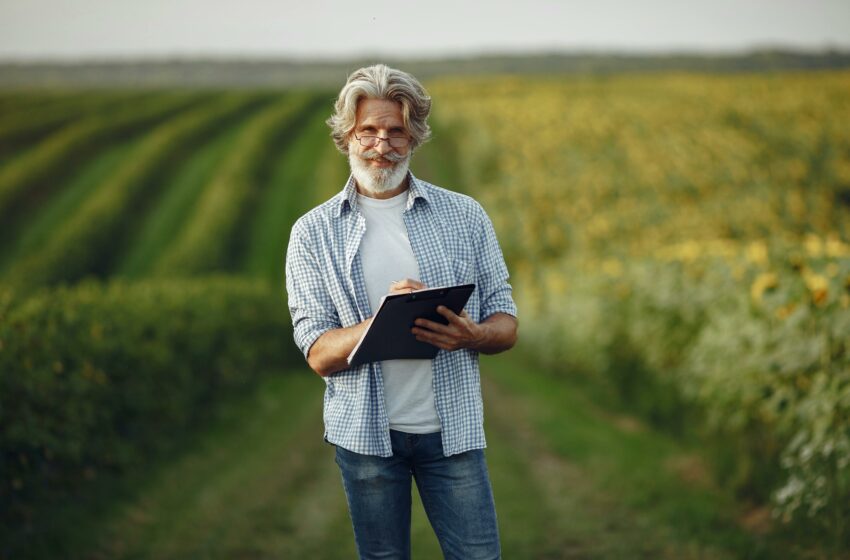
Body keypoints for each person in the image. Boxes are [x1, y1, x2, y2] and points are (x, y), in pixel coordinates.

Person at [285, 63, 518, 560]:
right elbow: (318, 353)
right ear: (347, 136)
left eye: (395, 131)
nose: (381, 144)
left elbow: (507, 322)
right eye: (368, 131)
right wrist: (386, 319)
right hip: (366, 439)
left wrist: (471, 334)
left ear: (415, 137)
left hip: (452, 433)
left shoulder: (465, 215)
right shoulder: (312, 232)